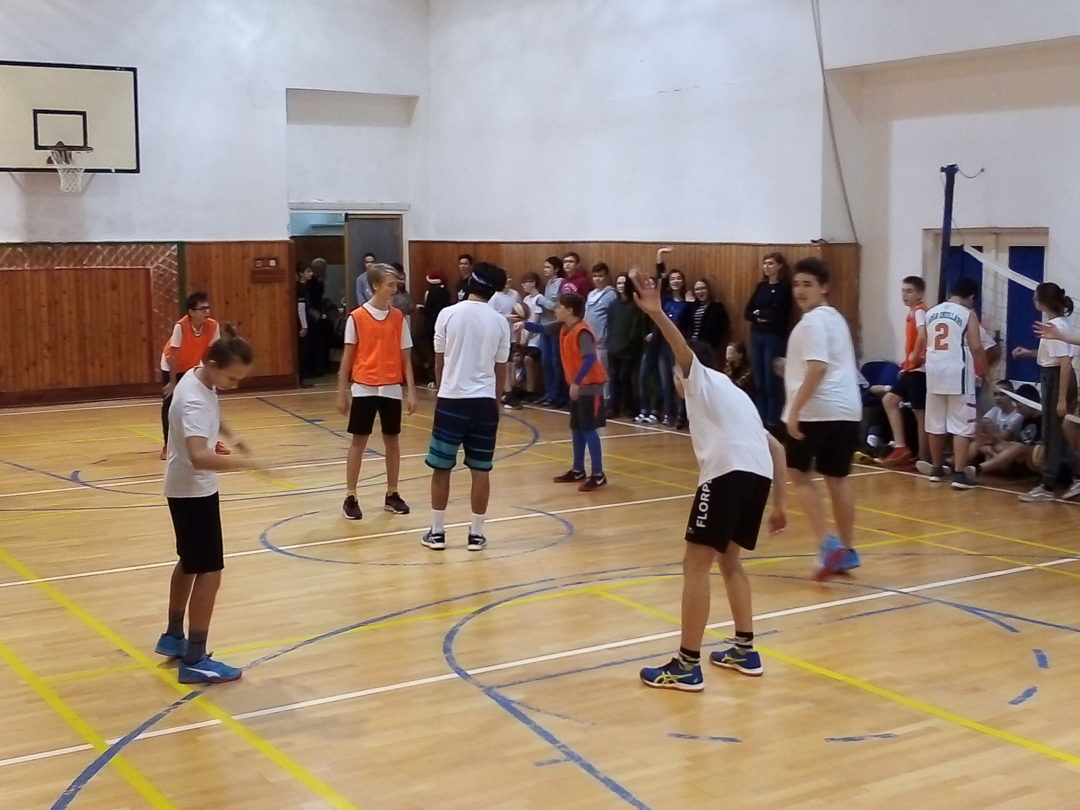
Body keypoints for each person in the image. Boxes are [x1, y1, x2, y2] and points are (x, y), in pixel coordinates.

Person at [630, 268, 787, 690]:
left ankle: (686, 664)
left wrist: (656, 313)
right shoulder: (736, 393)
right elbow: (777, 449)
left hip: (728, 473)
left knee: (694, 565)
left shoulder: (699, 379)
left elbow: (681, 350)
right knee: (730, 561)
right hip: (757, 476)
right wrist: (780, 505)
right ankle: (745, 648)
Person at [154, 326, 261, 684]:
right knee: (210, 571)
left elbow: (211, 411)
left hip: (183, 487)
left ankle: (173, 636)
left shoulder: (199, 377)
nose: (235, 385)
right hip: (193, 491)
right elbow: (200, 456)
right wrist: (246, 464)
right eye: (232, 378)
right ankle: (195, 658)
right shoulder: (194, 399)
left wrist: (231, 436)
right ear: (214, 364)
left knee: (190, 561)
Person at [782, 257, 863, 581]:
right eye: (796, 284)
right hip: (847, 409)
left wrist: (794, 410)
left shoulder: (812, 322)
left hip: (816, 410)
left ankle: (827, 544)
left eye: (808, 284)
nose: (800, 290)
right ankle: (847, 549)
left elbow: (817, 367)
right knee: (837, 478)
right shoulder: (836, 319)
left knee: (797, 473)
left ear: (824, 287)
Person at [422, 262, 511, 551]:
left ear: (470, 283)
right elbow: (500, 369)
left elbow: (439, 361)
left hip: (451, 400)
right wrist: (495, 403)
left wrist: (442, 390)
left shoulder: (447, 314)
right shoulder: (500, 322)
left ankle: (437, 532)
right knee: (481, 469)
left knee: (441, 467)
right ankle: (476, 534)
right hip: (484, 403)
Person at [336, 263, 417, 520]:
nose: (395, 289)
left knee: (392, 441)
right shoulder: (357, 317)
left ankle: (392, 493)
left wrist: (411, 391)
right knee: (358, 441)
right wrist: (342, 391)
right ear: (375, 286)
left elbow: (405, 358)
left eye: (396, 285)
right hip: (364, 386)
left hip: (391, 388)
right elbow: (347, 358)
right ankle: (351, 496)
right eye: (390, 285)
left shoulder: (398, 318)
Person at [522, 292, 609, 491]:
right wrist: (521, 323)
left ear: (569, 311)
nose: (556, 309)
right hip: (578, 386)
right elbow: (542, 328)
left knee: (588, 429)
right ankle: (578, 469)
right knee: (577, 428)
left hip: (590, 387)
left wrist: (576, 382)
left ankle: (598, 474)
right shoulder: (562, 327)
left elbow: (590, 359)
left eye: (559, 306)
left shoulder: (582, 331)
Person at [916, 277, 989, 490]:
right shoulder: (968, 314)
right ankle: (959, 474)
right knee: (961, 426)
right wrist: (985, 371)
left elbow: (924, 343)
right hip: (958, 374)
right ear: (972, 296)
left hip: (933, 373)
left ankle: (936, 469)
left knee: (935, 424)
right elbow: (976, 347)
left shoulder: (931, 312)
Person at [1010, 283, 1078, 501]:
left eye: (1035, 297)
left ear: (1042, 301)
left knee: (1051, 432)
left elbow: (1064, 363)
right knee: (1058, 432)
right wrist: (1029, 353)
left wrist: (1061, 399)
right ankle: (1071, 477)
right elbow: (1053, 355)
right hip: (1054, 376)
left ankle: (1047, 486)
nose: (1033, 300)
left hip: (1057, 379)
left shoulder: (1053, 326)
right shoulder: (1059, 323)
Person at [160, 291, 225, 460]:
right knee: (170, 403)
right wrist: (173, 383)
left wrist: (211, 375)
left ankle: (213, 441)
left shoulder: (213, 326)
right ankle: (167, 445)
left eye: (208, 308)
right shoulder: (181, 326)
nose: (207, 312)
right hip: (172, 366)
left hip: (194, 365)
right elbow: (173, 356)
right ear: (191, 312)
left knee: (209, 401)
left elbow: (212, 353)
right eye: (202, 309)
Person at [879, 276, 929, 466]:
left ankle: (924, 457)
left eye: (909, 291)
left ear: (920, 294)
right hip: (910, 369)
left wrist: (915, 356)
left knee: (920, 414)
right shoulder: (912, 313)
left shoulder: (920, 312)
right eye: (903, 291)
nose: (904, 295)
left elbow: (923, 334)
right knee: (889, 400)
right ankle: (901, 446)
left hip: (919, 371)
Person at [744, 252, 793, 431]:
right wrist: (760, 315)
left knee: (771, 382)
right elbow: (748, 312)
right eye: (765, 263)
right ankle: (760, 421)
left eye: (771, 263)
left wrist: (760, 313)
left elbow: (777, 313)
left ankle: (773, 422)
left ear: (779, 266)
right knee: (759, 382)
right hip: (757, 335)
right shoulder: (761, 286)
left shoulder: (784, 287)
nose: (766, 266)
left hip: (774, 337)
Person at [606, 272, 648, 418]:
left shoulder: (635, 306)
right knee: (614, 378)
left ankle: (630, 406)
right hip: (614, 348)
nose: (621, 286)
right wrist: (611, 344)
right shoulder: (613, 305)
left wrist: (628, 344)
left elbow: (636, 330)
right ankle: (614, 407)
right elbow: (610, 325)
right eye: (618, 283)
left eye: (623, 283)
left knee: (624, 377)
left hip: (629, 350)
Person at [535, 256, 567, 407]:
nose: (545, 270)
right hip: (545, 326)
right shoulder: (549, 283)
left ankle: (556, 395)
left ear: (556, 269)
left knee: (555, 362)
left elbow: (554, 306)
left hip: (555, 327)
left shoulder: (560, 282)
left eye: (548, 267)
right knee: (545, 362)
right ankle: (548, 393)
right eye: (544, 267)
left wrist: (539, 298)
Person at [585, 262, 617, 404]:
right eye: (595, 276)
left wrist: (605, 337)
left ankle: (606, 400)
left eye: (601, 276)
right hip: (589, 341)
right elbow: (586, 316)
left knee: (603, 373)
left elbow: (612, 319)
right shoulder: (591, 294)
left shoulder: (611, 295)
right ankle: (594, 400)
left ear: (607, 276)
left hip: (602, 341)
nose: (597, 279)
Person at [415, 271, 451, 386]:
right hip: (443, 327)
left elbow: (428, 310)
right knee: (438, 353)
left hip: (431, 326)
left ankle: (429, 370)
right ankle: (437, 379)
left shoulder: (432, 292)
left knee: (416, 341)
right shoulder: (446, 292)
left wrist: (419, 308)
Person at [296, 262, 316, 388]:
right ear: (301, 273)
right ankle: (301, 377)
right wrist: (304, 326)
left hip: (304, 321)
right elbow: (301, 308)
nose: (311, 274)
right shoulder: (300, 288)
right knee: (302, 351)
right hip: (302, 323)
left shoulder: (304, 286)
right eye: (308, 271)